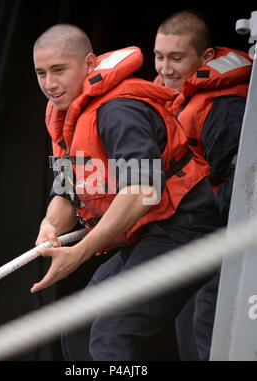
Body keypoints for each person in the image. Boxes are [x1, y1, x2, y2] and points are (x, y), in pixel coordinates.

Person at [30, 23, 225, 361]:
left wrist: (82, 251)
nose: (49, 83)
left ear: (90, 64)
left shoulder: (118, 111)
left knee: (111, 332)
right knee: (80, 324)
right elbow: (66, 192)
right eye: (41, 73)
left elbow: (142, 191)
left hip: (185, 230)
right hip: (147, 236)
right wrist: (49, 227)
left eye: (59, 70)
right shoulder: (66, 117)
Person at [153, 9, 252, 360]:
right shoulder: (177, 99)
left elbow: (239, 192)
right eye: (160, 57)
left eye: (177, 58)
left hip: (221, 242)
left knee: (203, 322)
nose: (165, 69)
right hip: (190, 238)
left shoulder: (223, 108)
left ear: (206, 57)